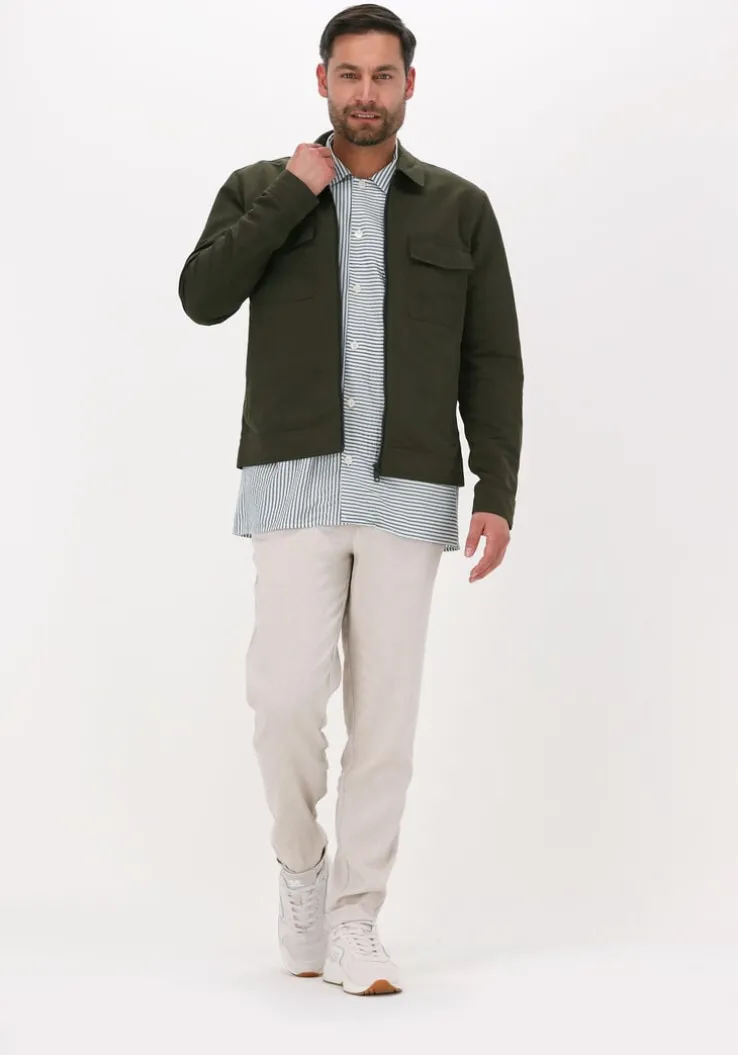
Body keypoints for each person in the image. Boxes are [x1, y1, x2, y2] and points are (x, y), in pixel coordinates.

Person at [178, 3, 523, 997]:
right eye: (349, 74)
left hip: (411, 488)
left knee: (385, 723)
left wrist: (497, 485)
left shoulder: (458, 207)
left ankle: (357, 916)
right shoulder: (261, 187)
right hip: (293, 484)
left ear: (410, 84)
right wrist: (295, 191)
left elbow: (492, 354)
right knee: (283, 701)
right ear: (322, 81)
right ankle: (303, 870)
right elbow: (202, 296)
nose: (365, 93)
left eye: (383, 75)